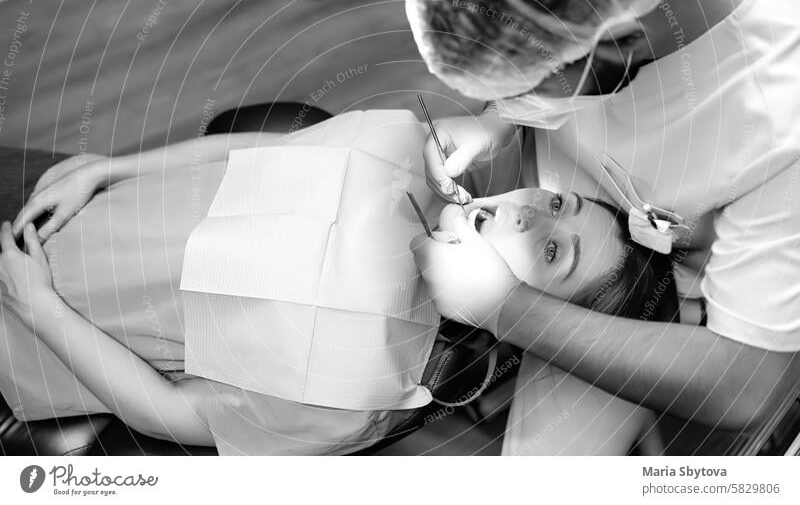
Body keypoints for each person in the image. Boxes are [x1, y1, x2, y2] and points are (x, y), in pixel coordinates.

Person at [0, 110, 670, 455]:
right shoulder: (399, 149)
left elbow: (174, 414)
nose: (529, 212)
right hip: (69, 199)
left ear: (530, 315)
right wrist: (111, 168)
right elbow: (253, 156)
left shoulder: (357, 390)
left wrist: (38, 307)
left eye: (551, 251)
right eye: (558, 203)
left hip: (34, 325)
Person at [406, 0, 800, 454]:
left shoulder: (781, 121)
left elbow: (744, 383)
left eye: (522, 84)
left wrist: (513, 310)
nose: (521, 95)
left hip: (655, 306)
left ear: (625, 40)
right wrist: (497, 117)